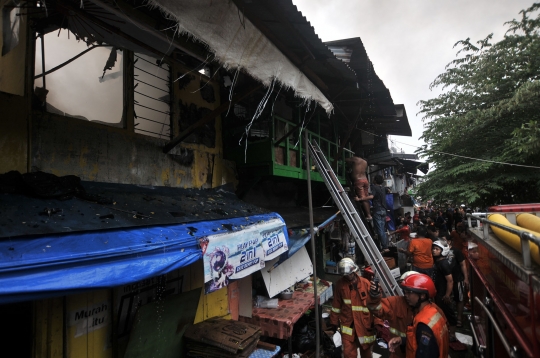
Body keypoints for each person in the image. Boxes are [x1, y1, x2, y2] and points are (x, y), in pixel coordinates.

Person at [368, 273, 449, 358]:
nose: (406, 295)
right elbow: (376, 309)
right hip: (399, 353)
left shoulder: (425, 320)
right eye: (404, 291)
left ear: (422, 295)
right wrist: (374, 295)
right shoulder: (397, 303)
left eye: (409, 292)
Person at [329, 258, 377, 358]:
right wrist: (333, 322)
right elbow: (336, 305)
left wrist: (378, 323)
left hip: (365, 325)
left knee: (366, 352)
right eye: (345, 275)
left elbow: (375, 304)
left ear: (354, 271)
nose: (347, 276)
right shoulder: (340, 285)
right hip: (348, 325)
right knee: (348, 353)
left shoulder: (365, 283)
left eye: (349, 274)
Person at [431, 240, 458, 342]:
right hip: (438, 293)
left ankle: (452, 335)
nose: (434, 251)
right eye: (433, 248)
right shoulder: (438, 262)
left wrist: (447, 295)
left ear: (443, 250)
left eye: (437, 249)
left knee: (449, 313)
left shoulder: (443, 264)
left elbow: (450, 281)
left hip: (443, 295)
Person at [447, 236, 469, 327]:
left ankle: (459, 318)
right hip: (447, 280)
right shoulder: (439, 252)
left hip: (457, 279)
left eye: (445, 240)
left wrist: (466, 278)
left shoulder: (456, 251)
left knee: (459, 299)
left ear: (450, 241)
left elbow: (463, 264)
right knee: (448, 299)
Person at [345, 156, 372, 220]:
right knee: (365, 197)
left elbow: (345, 159)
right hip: (365, 180)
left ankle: (368, 215)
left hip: (359, 180)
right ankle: (369, 214)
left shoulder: (356, 159)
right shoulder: (365, 162)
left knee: (363, 198)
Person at [370, 175, 389, 253]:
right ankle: (384, 246)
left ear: (375, 180)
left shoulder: (374, 187)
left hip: (377, 210)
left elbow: (371, 196)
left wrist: (360, 198)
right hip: (383, 210)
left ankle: (385, 247)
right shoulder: (383, 188)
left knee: (380, 230)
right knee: (382, 229)